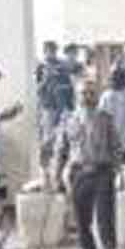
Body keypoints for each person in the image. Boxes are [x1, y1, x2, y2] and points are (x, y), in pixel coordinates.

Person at [56, 79, 121, 249]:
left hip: (102, 173)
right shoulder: (69, 120)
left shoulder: (106, 119)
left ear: (97, 96)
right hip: (79, 174)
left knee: (105, 219)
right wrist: (57, 176)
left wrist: (116, 171)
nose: (87, 97)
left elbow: (116, 147)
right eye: (84, 93)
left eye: (91, 93)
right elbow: (61, 150)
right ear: (77, 96)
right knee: (82, 221)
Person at [36, 40, 75, 177]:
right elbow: (37, 90)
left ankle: (59, 168)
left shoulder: (62, 66)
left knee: (63, 138)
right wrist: (46, 78)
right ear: (44, 52)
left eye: (53, 51)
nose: (51, 53)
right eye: (48, 51)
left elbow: (69, 86)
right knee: (48, 138)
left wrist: (70, 106)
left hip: (62, 107)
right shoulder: (41, 67)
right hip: (48, 107)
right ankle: (45, 168)